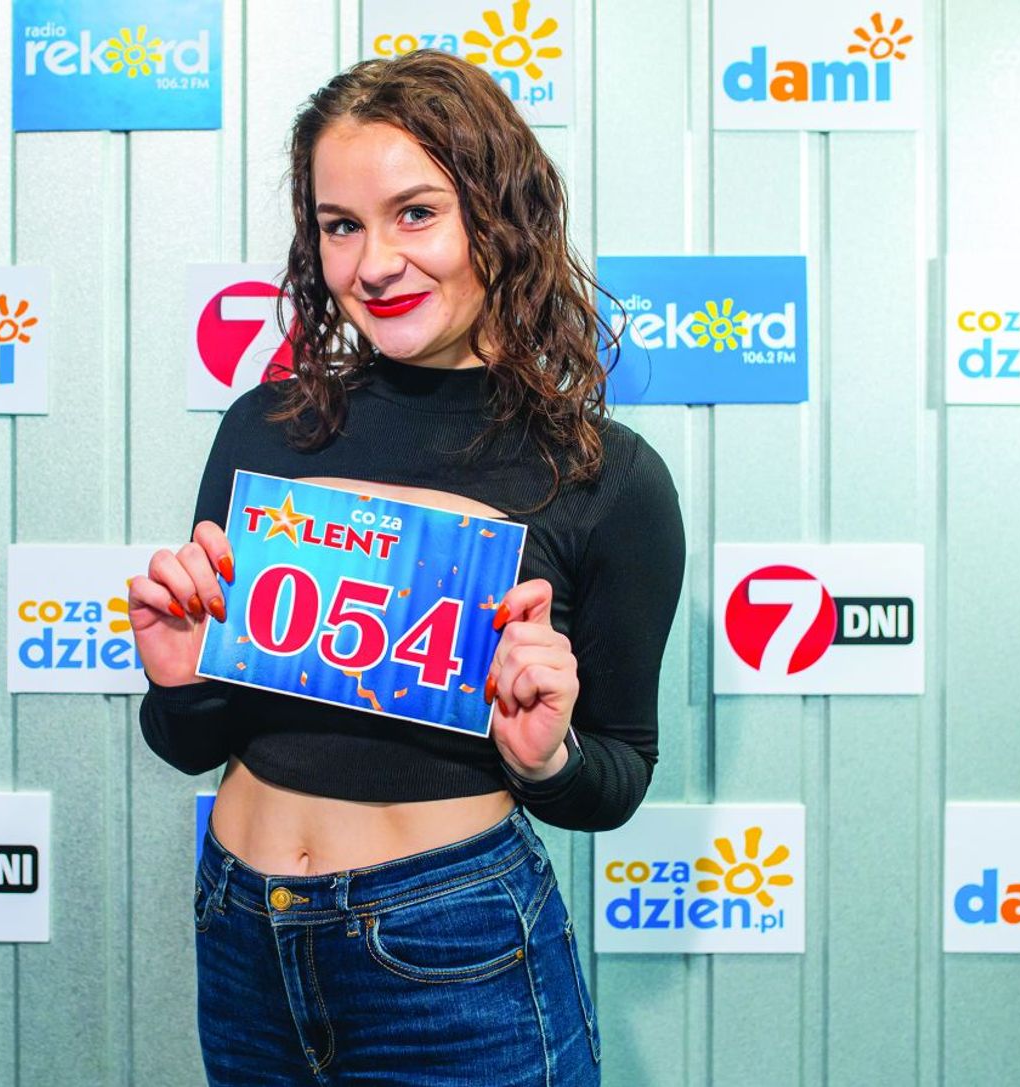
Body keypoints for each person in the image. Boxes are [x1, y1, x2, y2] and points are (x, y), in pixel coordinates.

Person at [130, 49, 684, 1087]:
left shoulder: (608, 478)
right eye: (340, 225)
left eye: (416, 214)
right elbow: (188, 741)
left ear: (500, 215)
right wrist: (182, 678)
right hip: (244, 933)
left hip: (453, 950)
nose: (375, 262)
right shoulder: (261, 429)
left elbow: (616, 777)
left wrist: (546, 757)